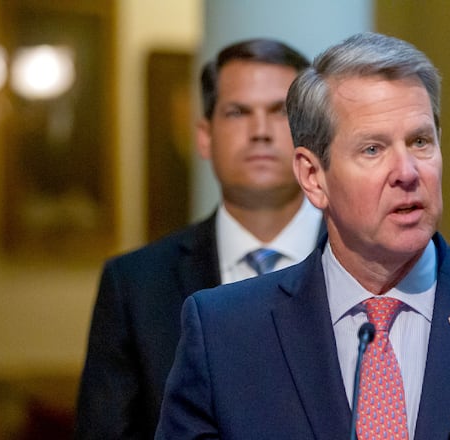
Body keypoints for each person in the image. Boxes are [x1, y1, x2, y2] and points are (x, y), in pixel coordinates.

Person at [155, 32, 450, 440]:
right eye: (373, 149)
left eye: (420, 142)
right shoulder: (225, 334)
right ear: (313, 176)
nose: (408, 172)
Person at [75, 39, 324, 439]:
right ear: (205, 136)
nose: (260, 131)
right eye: (238, 112)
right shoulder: (135, 286)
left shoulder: (366, 263)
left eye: (280, 112)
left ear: (313, 137)